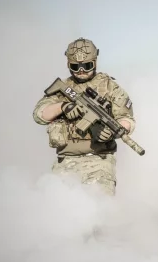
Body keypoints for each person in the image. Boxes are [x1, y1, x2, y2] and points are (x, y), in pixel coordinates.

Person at [32, 37, 136, 196]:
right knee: (57, 211)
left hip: (99, 162)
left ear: (95, 62)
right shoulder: (64, 89)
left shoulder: (109, 87)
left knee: (99, 212)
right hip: (65, 161)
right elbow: (40, 114)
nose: (81, 70)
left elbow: (126, 119)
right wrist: (63, 106)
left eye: (87, 66)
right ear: (68, 64)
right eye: (75, 66)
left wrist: (114, 131)